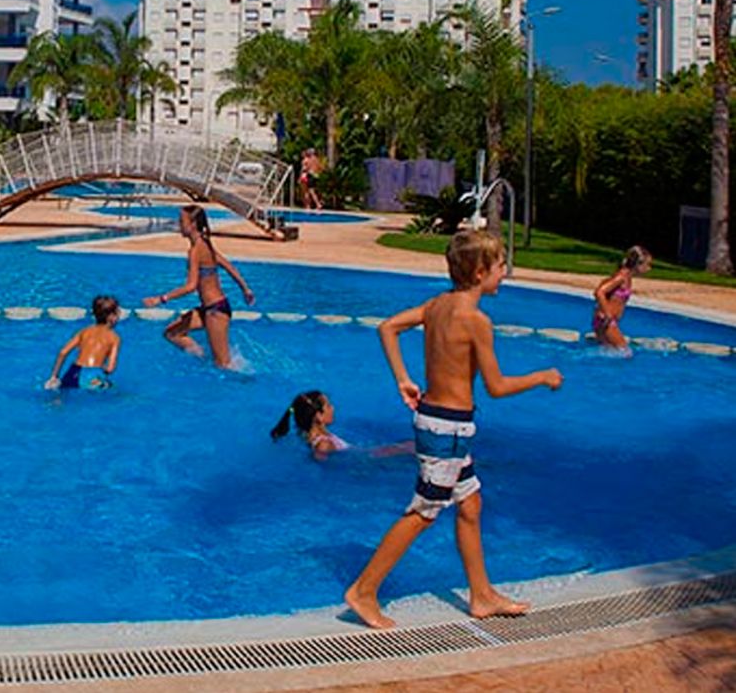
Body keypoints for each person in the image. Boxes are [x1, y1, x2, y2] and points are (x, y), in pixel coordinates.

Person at [343, 230, 563, 630]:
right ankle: (363, 591)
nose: (504, 274)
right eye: (500, 267)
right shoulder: (477, 321)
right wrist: (542, 376)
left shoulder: (437, 305)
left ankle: (481, 596)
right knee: (424, 512)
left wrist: (402, 380)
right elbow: (496, 387)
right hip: (447, 429)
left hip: (443, 424)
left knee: (471, 504)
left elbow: (387, 328)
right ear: (480, 272)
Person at [142, 204, 255, 369]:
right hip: (208, 309)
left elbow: (191, 286)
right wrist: (245, 289)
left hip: (216, 311)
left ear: (193, 224)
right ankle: (201, 356)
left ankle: (246, 385)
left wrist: (161, 299)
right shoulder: (206, 244)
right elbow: (228, 266)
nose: (178, 224)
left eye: (182, 221)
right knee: (172, 333)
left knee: (223, 365)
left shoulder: (195, 251)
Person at [45, 295, 121, 390]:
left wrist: (54, 376)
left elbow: (63, 352)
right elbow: (110, 369)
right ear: (112, 316)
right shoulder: (114, 338)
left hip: (73, 372)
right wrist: (101, 369)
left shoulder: (83, 331)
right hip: (93, 377)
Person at [592, 245, 652, 350]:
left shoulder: (627, 277)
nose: (649, 268)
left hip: (605, 321)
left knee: (610, 353)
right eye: (647, 265)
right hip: (607, 322)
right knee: (625, 353)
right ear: (638, 264)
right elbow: (599, 292)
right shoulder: (622, 277)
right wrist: (607, 314)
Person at [270, 390, 350, 460]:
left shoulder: (303, 433)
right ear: (319, 416)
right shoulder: (324, 445)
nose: (333, 408)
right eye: (328, 406)